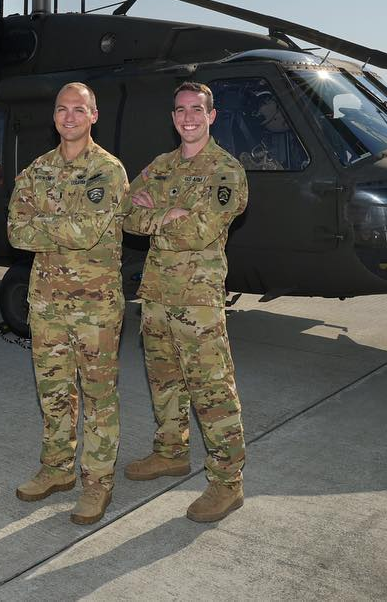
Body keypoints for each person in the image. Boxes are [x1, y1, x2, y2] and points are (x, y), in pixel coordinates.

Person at [121, 81, 250, 523]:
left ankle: (227, 483)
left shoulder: (226, 171)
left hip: (197, 301)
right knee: (164, 382)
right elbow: (126, 213)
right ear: (173, 117)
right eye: (180, 110)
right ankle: (171, 453)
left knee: (211, 390)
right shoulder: (162, 165)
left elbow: (201, 231)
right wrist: (168, 214)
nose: (188, 117)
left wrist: (156, 214)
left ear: (211, 116)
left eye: (197, 109)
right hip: (156, 294)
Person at [7, 82, 129, 525]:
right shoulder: (37, 169)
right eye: (62, 109)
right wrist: (63, 223)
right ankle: (57, 468)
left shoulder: (107, 170)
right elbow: (15, 231)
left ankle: (97, 482)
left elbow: (87, 233)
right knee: (54, 390)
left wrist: (44, 222)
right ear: (54, 116)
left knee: (98, 394)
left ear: (94, 115)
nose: (70, 116)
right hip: (46, 303)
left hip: (95, 306)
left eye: (80, 109)